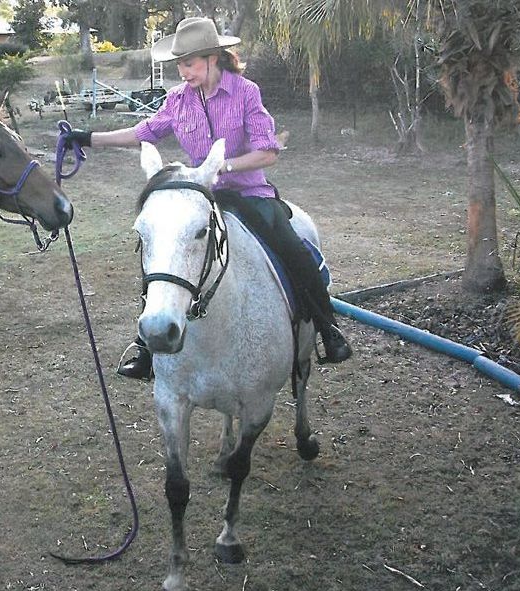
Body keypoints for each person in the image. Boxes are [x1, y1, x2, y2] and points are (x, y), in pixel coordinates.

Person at [66, 17, 352, 379]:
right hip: (200, 196)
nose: (183, 72)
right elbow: (144, 132)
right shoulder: (177, 100)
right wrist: (88, 138)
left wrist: (223, 167)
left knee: (292, 247)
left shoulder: (246, 92)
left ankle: (327, 327)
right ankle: (146, 347)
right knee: (164, 252)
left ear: (212, 57)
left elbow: (268, 152)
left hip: (249, 193)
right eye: (180, 65)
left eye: (189, 63)